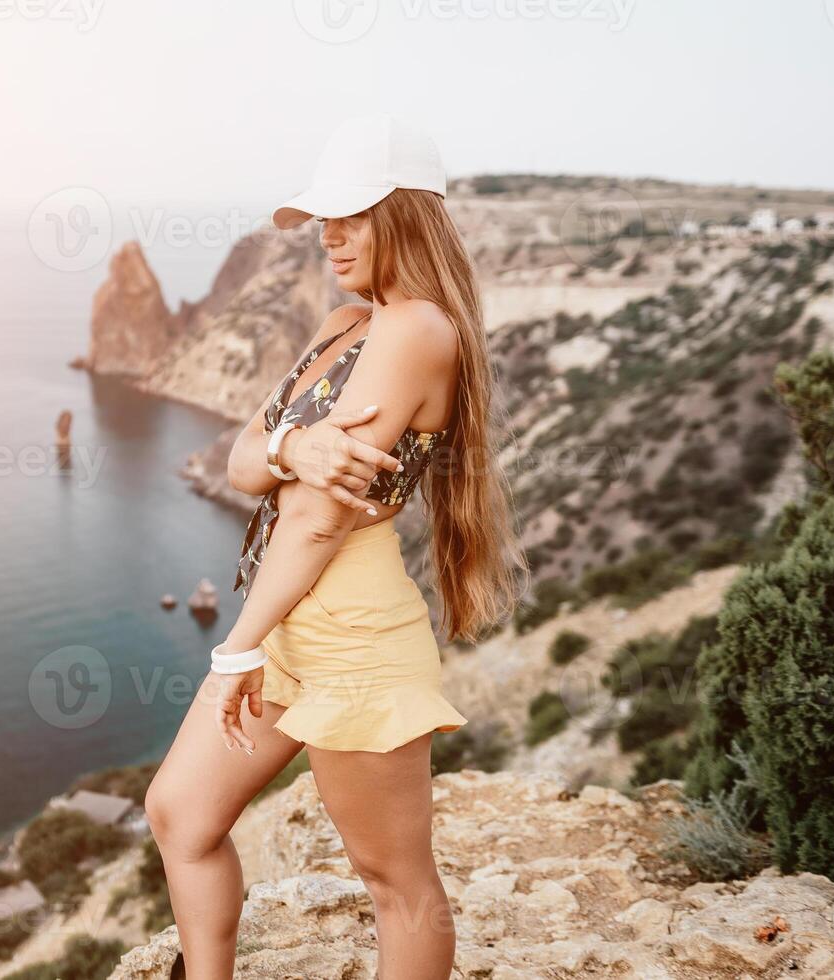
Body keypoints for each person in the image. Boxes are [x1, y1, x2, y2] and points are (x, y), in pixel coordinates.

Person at [145, 114, 528, 980]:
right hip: (292, 623)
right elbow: (244, 460)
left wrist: (232, 651)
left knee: (396, 882)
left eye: (352, 213)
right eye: (326, 216)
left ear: (407, 214)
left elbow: (318, 519)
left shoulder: (419, 328)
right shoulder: (344, 325)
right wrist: (290, 448)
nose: (330, 233)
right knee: (179, 813)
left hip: (351, 637)